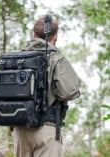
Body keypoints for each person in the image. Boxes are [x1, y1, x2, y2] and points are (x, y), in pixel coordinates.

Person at [12, 17, 80, 157]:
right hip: (47, 130)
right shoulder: (57, 59)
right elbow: (68, 92)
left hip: (20, 130)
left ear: (34, 35)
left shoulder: (15, 59)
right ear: (55, 37)